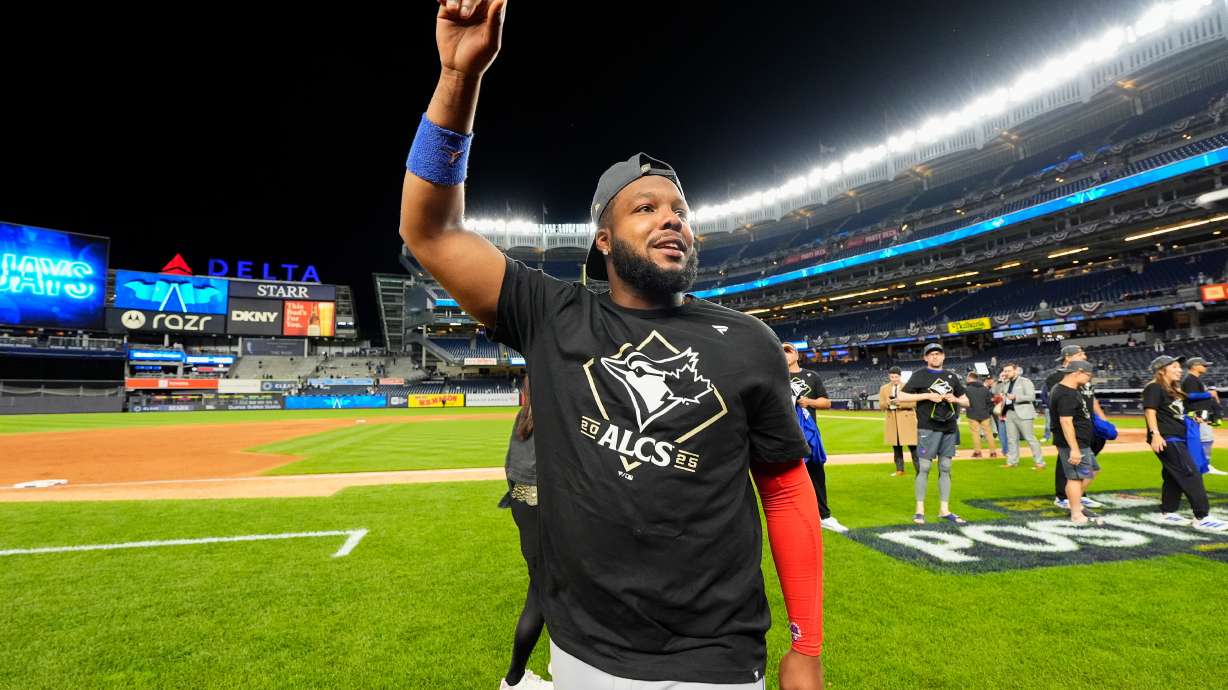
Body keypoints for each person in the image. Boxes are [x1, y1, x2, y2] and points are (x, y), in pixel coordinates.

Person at [398, 4, 824, 687]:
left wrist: (807, 644)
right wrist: (458, 75)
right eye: (646, 207)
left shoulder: (748, 342)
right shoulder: (552, 314)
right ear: (603, 239)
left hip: (714, 660)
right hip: (581, 653)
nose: (671, 219)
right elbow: (431, 233)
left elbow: (784, 491)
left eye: (680, 210)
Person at [500, 375, 552, 689]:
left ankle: (518, 679)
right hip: (542, 498)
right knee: (544, 594)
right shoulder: (555, 416)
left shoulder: (524, 417)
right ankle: (515, 679)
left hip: (522, 498)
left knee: (541, 588)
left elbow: (511, 470)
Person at [1142, 356, 1226, 531]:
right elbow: (1150, 412)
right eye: (1174, 367)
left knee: (1173, 475)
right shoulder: (1154, 387)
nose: (1179, 370)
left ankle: (1168, 511)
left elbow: (1177, 414)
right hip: (1167, 438)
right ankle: (1202, 516)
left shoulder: (1172, 390)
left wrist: (1195, 418)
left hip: (1179, 437)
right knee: (1190, 473)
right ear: (1161, 369)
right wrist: (1155, 434)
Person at [897, 343, 971, 525]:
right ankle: (919, 510)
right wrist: (926, 396)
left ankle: (944, 510)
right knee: (924, 468)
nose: (935, 357)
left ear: (943, 356)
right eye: (931, 354)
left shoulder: (951, 376)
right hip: (927, 427)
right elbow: (902, 396)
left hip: (949, 427)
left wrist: (956, 399)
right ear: (926, 358)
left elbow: (966, 401)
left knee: (945, 467)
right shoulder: (919, 375)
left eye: (938, 354)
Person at [784, 343, 846, 533]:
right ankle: (792, 519)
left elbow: (826, 402)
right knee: (787, 478)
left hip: (808, 435)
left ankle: (824, 516)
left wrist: (808, 402)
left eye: (788, 351)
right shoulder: (775, 375)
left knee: (816, 475)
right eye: (781, 351)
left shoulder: (811, 376)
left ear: (796, 354)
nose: (784, 354)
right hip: (784, 434)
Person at [1043, 345, 1107, 510]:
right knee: (1069, 462)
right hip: (1070, 426)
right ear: (1068, 357)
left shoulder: (1083, 375)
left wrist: (1102, 419)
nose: (1084, 356)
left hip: (1085, 424)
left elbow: (1091, 398)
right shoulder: (1057, 378)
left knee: (1087, 466)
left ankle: (1078, 496)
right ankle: (1063, 497)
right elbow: (1062, 410)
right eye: (1080, 354)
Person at [1181, 356, 1227, 476]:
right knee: (1205, 439)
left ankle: (1203, 465)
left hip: (1201, 414)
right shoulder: (1190, 379)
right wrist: (1209, 394)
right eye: (1204, 365)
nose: (1205, 367)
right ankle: (1203, 465)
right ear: (1195, 366)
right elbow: (1189, 396)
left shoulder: (1195, 379)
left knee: (1206, 439)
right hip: (1197, 415)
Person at [1000, 364, 1045, 470]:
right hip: (1010, 413)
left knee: (1030, 438)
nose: (1006, 373)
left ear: (1015, 371)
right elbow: (1005, 399)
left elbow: (1031, 397)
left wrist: (1016, 397)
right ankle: (1012, 461)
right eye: (1005, 371)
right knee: (1011, 439)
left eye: (1009, 371)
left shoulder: (1025, 381)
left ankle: (1040, 463)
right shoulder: (1006, 383)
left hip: (1024, 413)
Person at [879, 367, 918, 477]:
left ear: (900, 376)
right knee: (896, 448)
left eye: (896, 377)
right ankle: (899, 470)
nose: (894, 379)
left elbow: (915, 403)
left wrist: (899, 403)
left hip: (907, 420)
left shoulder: (908, 386)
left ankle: (919, 470)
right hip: (893, 421)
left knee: (913, 447)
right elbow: (881, 405)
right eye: (892, 377)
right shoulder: (884, 388)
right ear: (889, 376)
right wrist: (887, 403)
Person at [963, 372, 998, 459]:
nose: (967, 379)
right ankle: (993, 453)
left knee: (975, 434)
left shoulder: (967, 389)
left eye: (968, 378)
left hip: (972, 414)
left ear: (970, 378)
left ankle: (978, 452)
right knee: (989, 433)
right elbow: (989, 402)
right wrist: (988, 411)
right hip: (984, 414)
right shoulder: (985, 388)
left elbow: (965, 402)